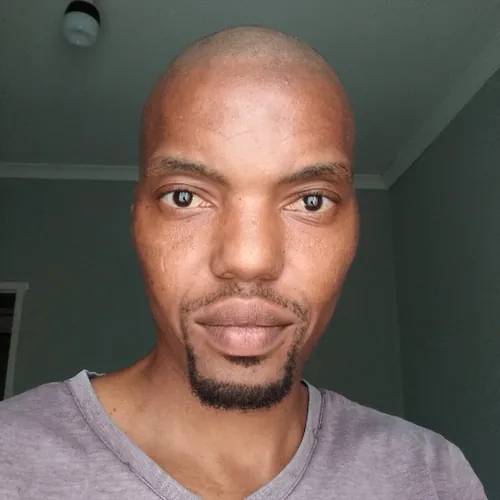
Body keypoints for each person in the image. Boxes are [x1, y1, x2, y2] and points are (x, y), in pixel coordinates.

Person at [0, 26, 486, 500]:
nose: (249, 260)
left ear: (355, 230)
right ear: (137, 225)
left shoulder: (433, 477)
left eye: (311, 201)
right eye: (185, 197)